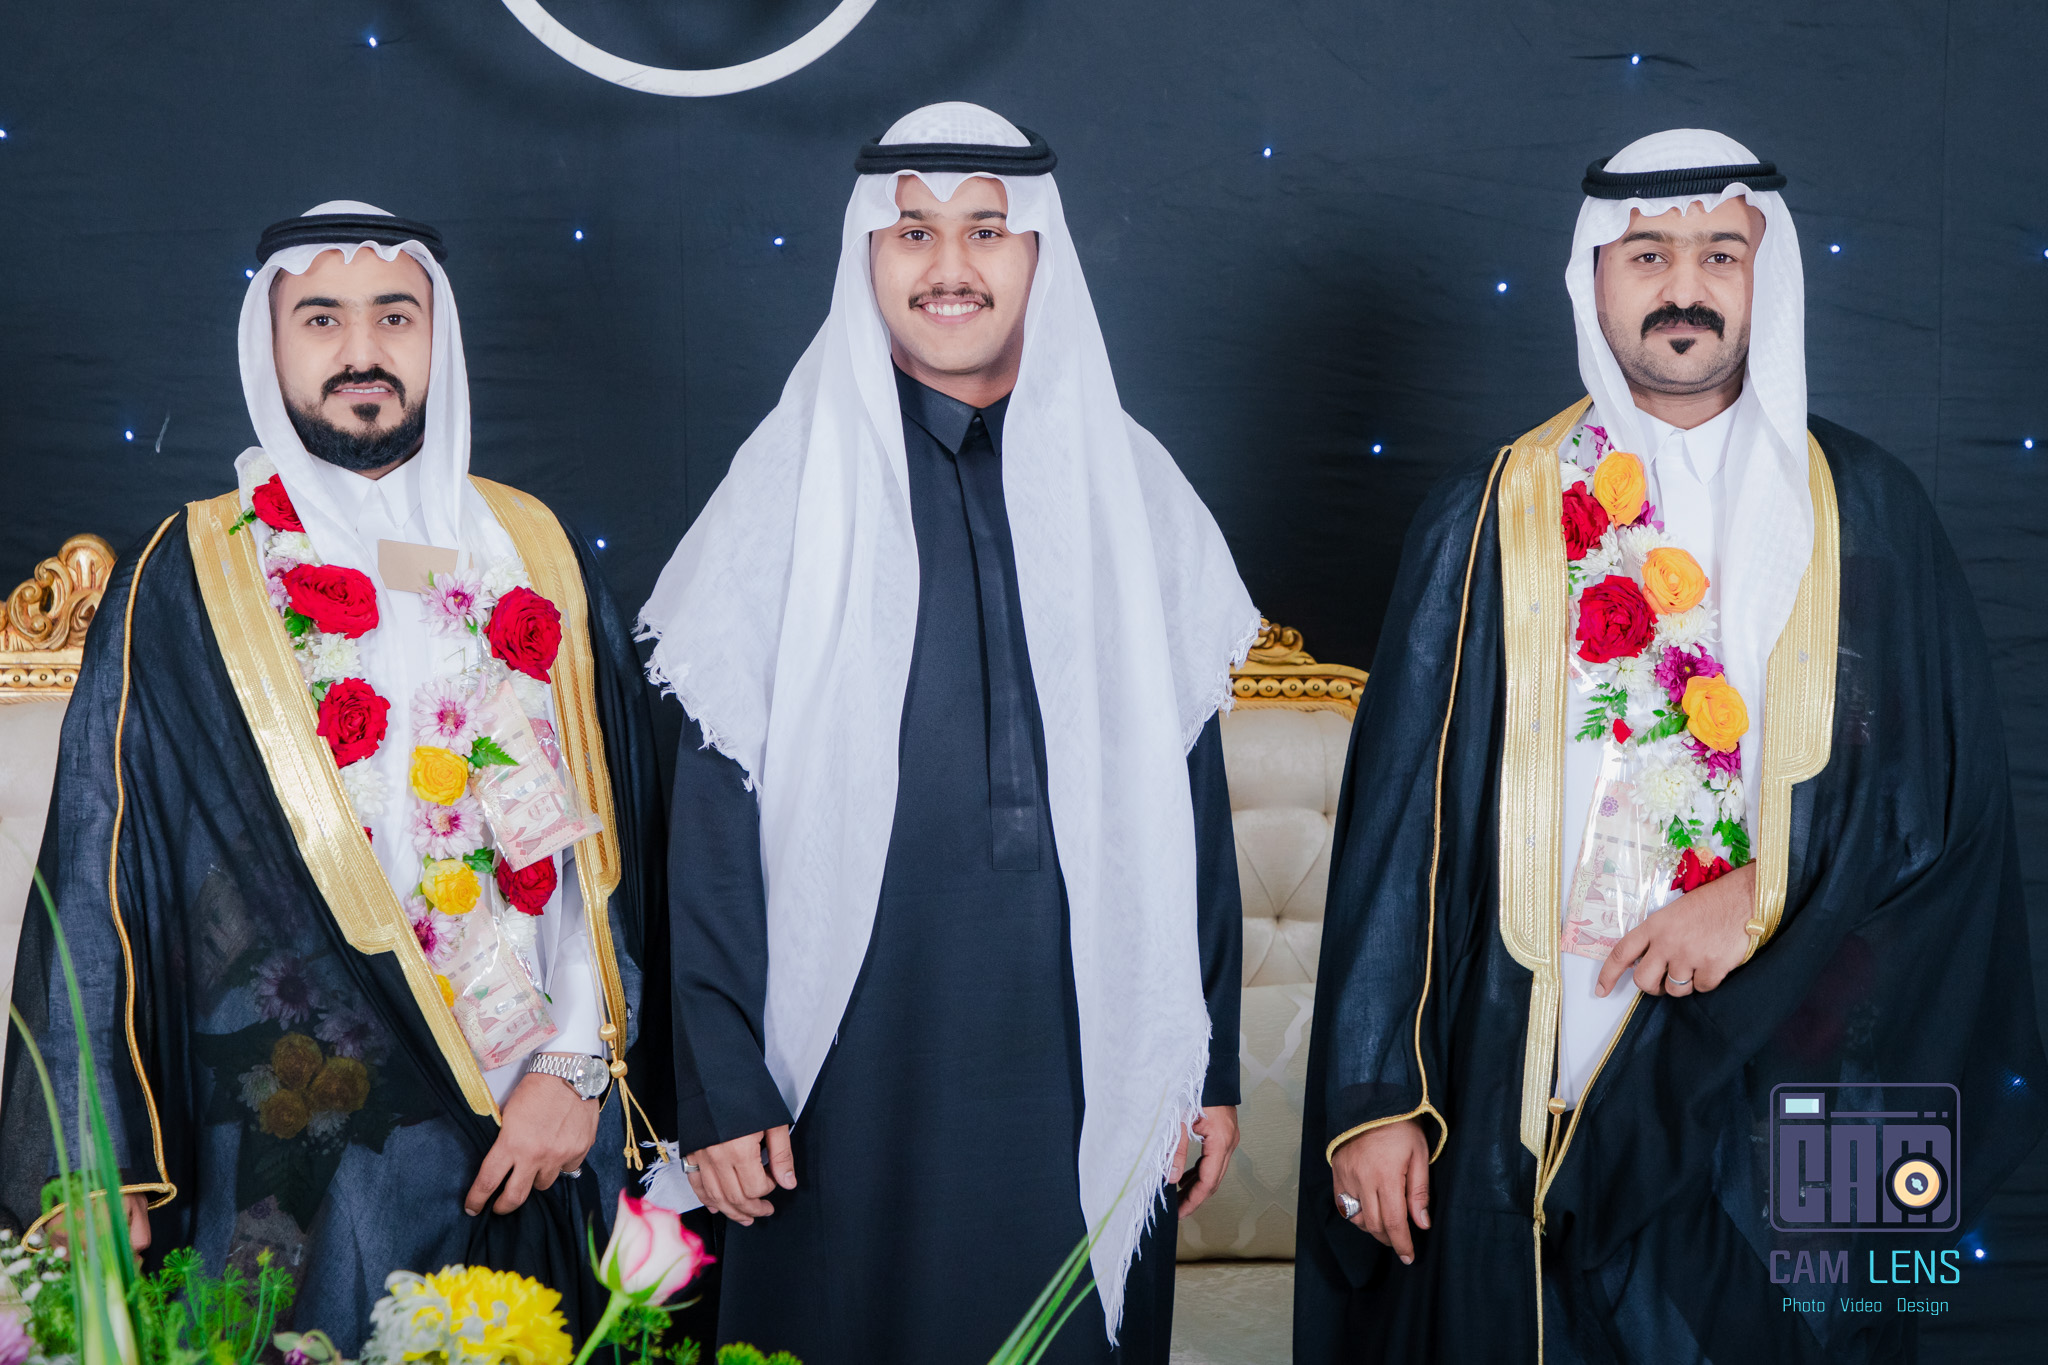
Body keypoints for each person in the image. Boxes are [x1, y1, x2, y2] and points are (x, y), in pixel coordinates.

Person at [1294, 131, 2047, 1363]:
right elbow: (1400, 831)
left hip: (1792, 1071)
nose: (1682, 287)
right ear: (1593, 277)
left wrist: (1759, 897)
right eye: (1646, 254)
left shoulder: (1866, 514)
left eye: (1717, 255)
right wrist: (1379, 1099)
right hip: (1531, 1061)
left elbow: (1935, 809)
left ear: (1765, 274)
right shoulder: (1490, 515)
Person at [636, 103, 1258, 1363]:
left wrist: (1208, 1064)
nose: (949, 266)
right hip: (845, 1061)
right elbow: (708, 821)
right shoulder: (786, 480)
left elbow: (1183, 802)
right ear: (867, 252)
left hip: (1084, 1040)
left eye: (986, 228)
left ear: (1039, 253)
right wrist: (721, 1082)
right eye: (912, 231)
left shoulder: (1128, 483)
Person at [0, 204, 670, 1348]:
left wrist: (573, 1065)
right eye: (321, 318)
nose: (362, 350)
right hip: (290, 1126)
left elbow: (603, 849)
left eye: (393, 316)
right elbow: (98, 862)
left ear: (435, 337)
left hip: (533, 1113)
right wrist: (91, 1158)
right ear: (268, 344)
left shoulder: (530, 548)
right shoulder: (192, 573)